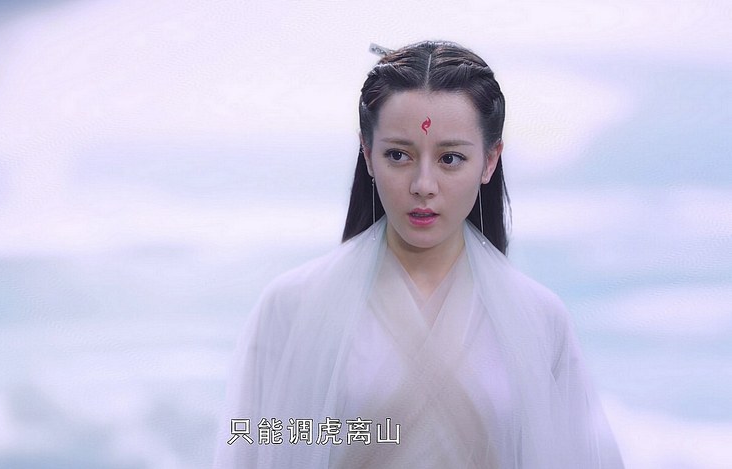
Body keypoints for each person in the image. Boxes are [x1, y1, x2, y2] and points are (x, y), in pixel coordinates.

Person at [214, 40, 623, 468]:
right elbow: (254, 444)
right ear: (367, 154)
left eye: (450, 158)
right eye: (398, 155)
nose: (423, 185)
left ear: (489, 160)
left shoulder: (539, 318)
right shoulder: (293, 306)